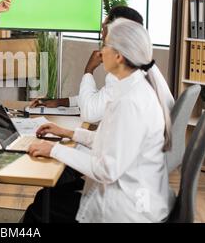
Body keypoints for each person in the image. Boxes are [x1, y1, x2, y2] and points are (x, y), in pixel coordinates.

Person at [24, 18, 175, 223]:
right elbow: (112, 141)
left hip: (127, 209)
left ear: (119, 56)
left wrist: (54, 150)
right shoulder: (136, 87)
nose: (100, 51)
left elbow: (107, 170)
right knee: (47, 199)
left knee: (43, 205)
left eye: (105, 45)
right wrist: (69, 133)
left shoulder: (130, 102)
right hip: (137, 196)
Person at [30, 6, 145, 123]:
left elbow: (89, 113)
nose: (102, 34)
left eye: (103, 28)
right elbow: (99, 99)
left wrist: (89, 70)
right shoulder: (132, 69)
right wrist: (60, 102)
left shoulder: (121, 77)